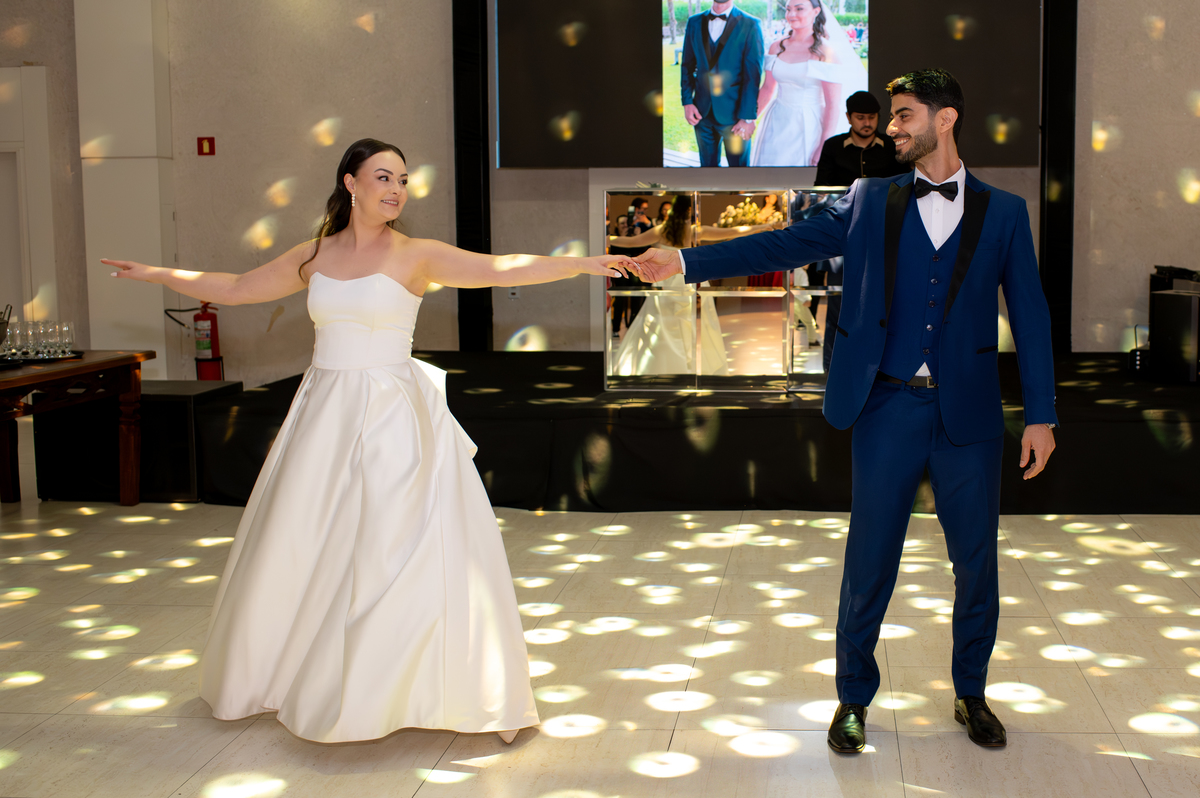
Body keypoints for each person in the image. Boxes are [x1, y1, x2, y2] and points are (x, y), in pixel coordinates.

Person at [101, 138, 634, 744]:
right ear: (350, 183)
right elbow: (240, 286)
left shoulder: (417, 254)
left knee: (391, 544)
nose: (396, 189)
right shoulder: (314, 254)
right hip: (324, 412)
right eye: (383, 177)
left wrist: (581, 264)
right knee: (309, 539)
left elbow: (499, 267)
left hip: (392, 414)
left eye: (403, 180)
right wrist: (156, 274)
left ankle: (391, 684)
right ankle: (299, 672)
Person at [632, 69, 1058, 754]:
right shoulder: (867, 198)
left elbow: (1031, 315)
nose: (891, 127)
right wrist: (683, 261)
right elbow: (782, 244)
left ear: (945, 119)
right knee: (869, 561)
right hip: (886, 409)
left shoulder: (1004, 212)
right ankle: (853, 698)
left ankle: (971, 693)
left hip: (970, 417)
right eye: (891, 115)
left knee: (978, 565)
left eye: (905, 114)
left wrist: (1042, 414)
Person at [607, 193, 778, 376]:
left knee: (662, 323)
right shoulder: (695, 230)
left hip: (666, 281)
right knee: (695, 325)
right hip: (690, 278)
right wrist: (760, 227)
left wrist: (607, 238)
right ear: (689, 210)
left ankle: (664, 366)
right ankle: (692, 366)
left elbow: (631, 242)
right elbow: (732, 232)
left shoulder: (662, 230)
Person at [749, 0, 868, 167]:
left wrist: (824, 146)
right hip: (776, 120)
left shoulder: (825, 52)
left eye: (799, 9)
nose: (791, 14)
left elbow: (832, 104)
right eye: (788, 9)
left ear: (816, 11)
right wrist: (750, 120)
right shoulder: (777, 47)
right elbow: (768, 89)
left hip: (808, 124)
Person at [679, 1, 764, 167]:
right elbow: (687, 66)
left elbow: (752, 76)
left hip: (735, 116)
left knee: (739, 172)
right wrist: (687, 102)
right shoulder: (694, 22)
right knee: (707, 170)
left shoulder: (751, 24)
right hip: (702, 114)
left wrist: (746, 118)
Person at [814, 90, 909, 186]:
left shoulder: (892, 144)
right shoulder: (832, 146)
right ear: (849, 117)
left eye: (872, 117)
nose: (867, 123)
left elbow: (905, 183)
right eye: (860, 118)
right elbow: (821, 186)